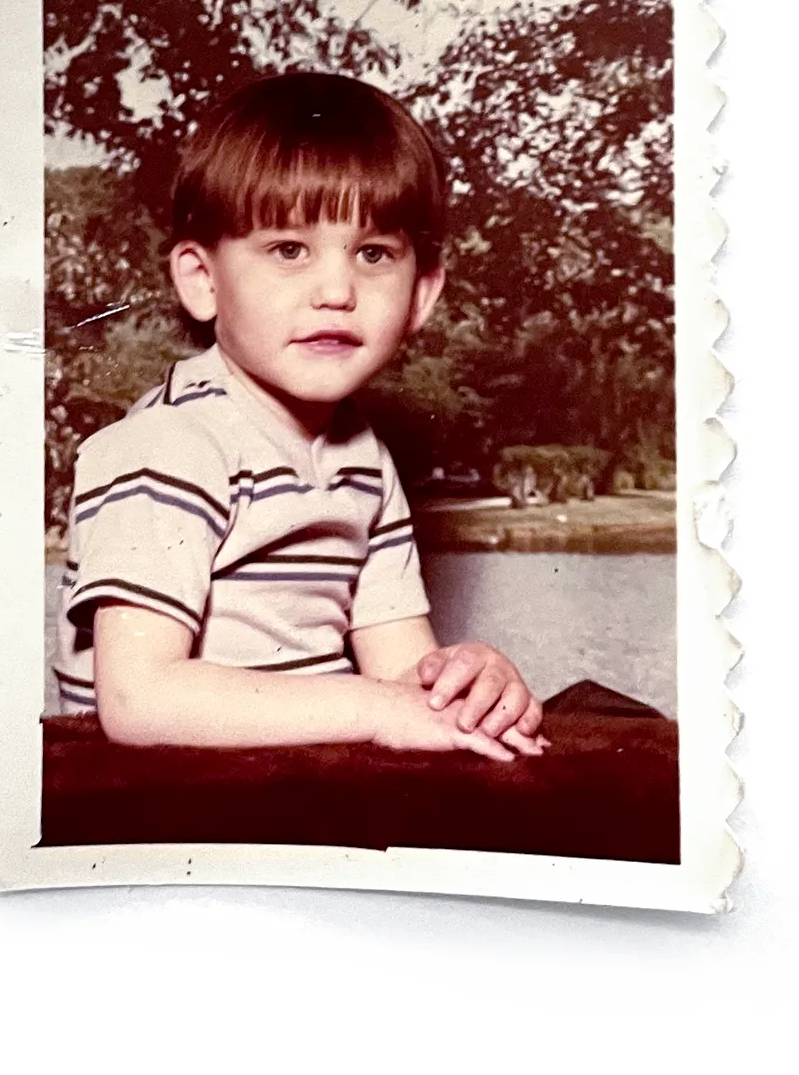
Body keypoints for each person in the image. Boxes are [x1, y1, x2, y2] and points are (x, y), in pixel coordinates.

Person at [56, 73, 547, 761]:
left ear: (420, 296)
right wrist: (374, 708)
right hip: (153, 792)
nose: (337, 290)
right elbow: (138, 701)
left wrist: (466, 685)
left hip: (298, 783)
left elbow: (399, 675)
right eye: (289, 250)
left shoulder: (363, 458)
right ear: (202, 280)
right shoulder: (169, 444)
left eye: (373, 254)